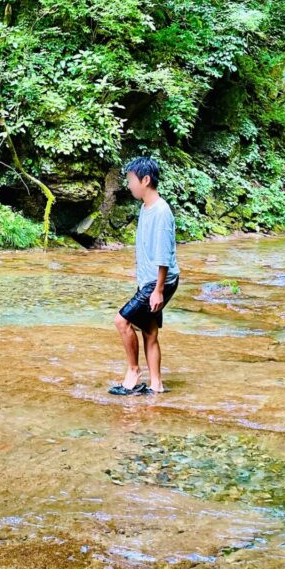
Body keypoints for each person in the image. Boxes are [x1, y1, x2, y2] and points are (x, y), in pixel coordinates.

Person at [110, 156, 180, 395]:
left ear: (146, 179)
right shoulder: (146, 207)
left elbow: (163, 255)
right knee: (150, 332)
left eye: (130, 180)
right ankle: (157, 386)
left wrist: (158, 289)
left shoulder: (161, 212)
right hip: (150, 280)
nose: (128, 185)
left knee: (121, 321)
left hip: (159, 281)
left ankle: (133, 371)